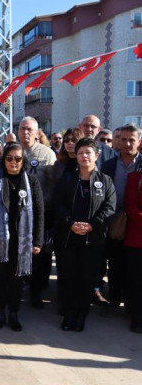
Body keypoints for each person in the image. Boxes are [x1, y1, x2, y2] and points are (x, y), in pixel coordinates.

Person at [55, 138, 115, 332]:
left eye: (88, 152)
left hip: (93, 240)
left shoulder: (105, 181)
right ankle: (69, 313)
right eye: (81, 153)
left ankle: (82, 314)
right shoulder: (67, 179)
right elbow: (59, 206)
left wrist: (91, 225)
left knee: (86, 278)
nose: (84, 156)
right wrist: (71, 224)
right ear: (76, 156)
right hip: (69, 238)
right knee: (69, 277)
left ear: (96, 156)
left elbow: (109, 208)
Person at [0, 143, 45, 331]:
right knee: (0, 279)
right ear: (4, 160)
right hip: (0, 241)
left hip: (22, 242)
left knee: (17, 280)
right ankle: (0, 312)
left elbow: (39, 211)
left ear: (23, 161)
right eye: (9, 158)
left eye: (18, 159)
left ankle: (14, 313)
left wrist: (37, 241)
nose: (13, 162)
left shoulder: (32, 182)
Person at [101, 124, 142, 309]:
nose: (127, 144)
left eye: (131, 140)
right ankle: (115, 298)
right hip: (114, 222)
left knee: (134, 266)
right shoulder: (108, 165)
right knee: (115, 263)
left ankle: (131, 302)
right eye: (123, 139)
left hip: (137, 225)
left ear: (139, 142)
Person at [19, 116, 57, 309]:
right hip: (18, 212)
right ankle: (21, 286)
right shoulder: (13, 150)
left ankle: (37, 291)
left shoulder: (46, 154)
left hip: (41, 212)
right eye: (23, 129)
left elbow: (52, 184)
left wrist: (45, 208)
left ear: (36, 132)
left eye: (29, 129)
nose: (26, 132)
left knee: (40, 254)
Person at [124, 168, 142, 333]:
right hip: (137, 239)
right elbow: (130, 205)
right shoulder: (134, 177)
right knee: (137, 281)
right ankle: (137, 318)